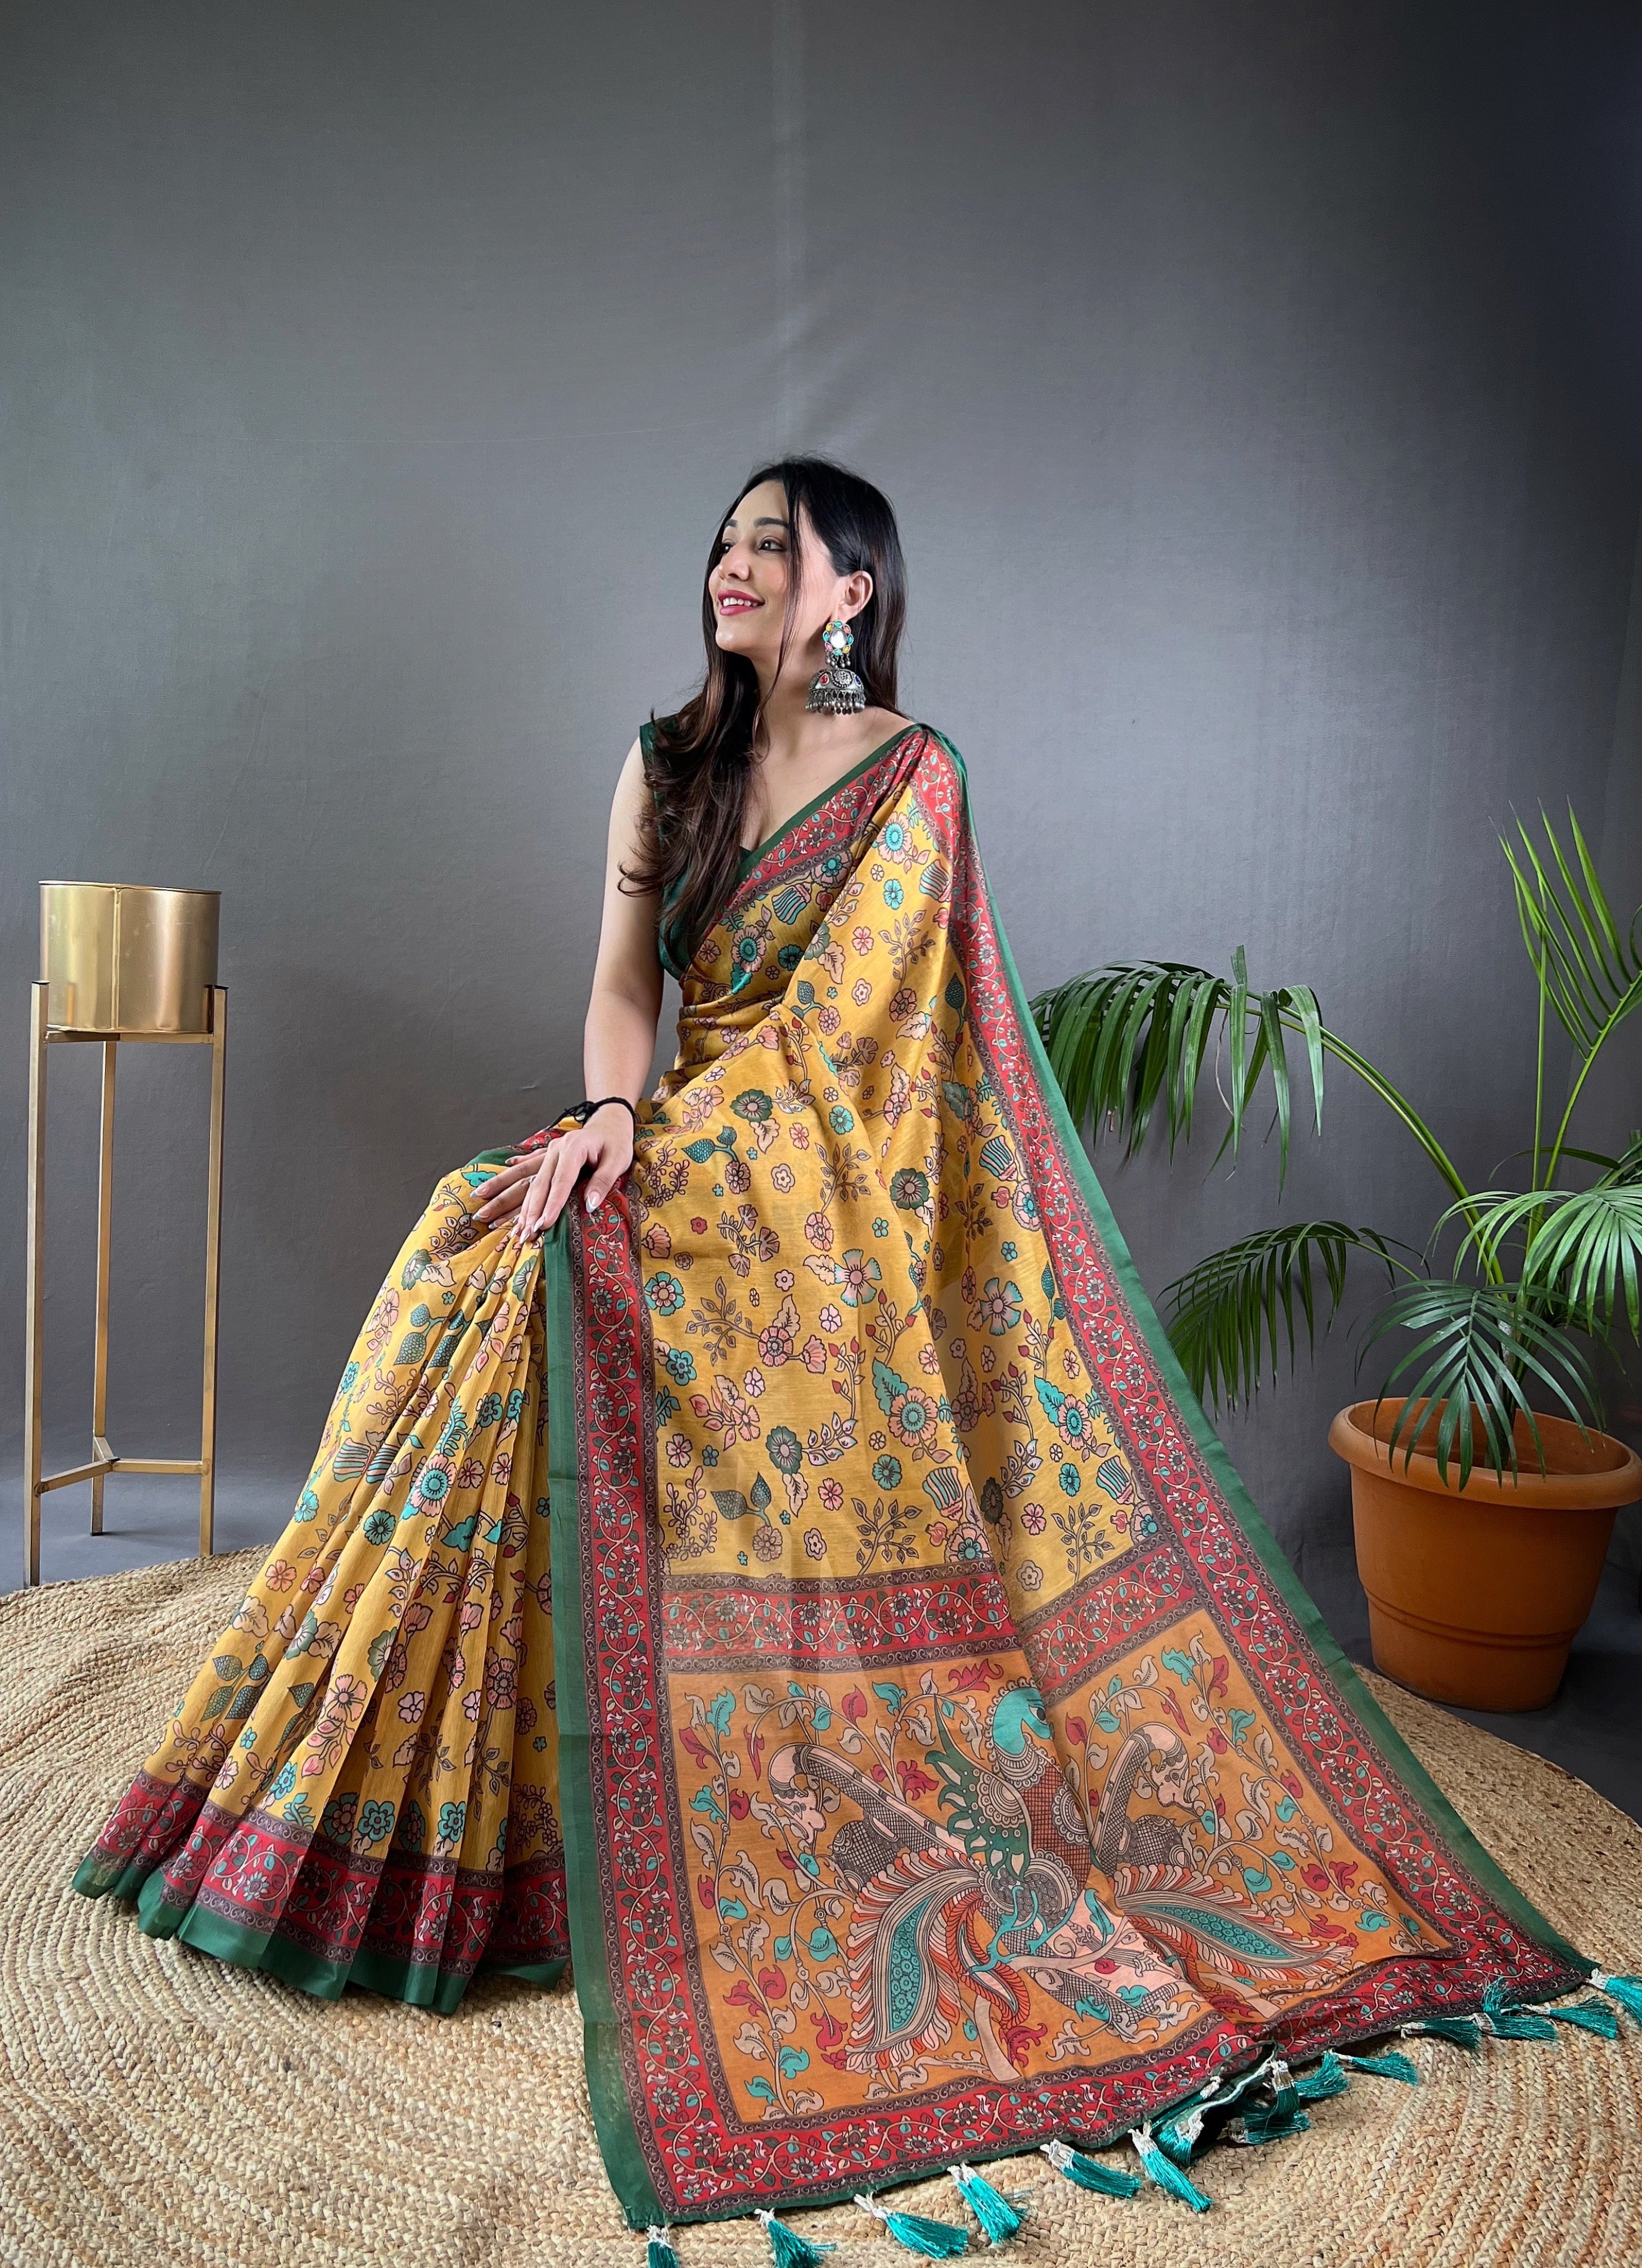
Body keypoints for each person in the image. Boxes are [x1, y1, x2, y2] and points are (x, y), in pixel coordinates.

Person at [73, 457, 1609, 2245]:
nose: (729, 566)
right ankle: (438, 1837)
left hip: (828, 1191)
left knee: (572, 1244)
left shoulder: (911, 777)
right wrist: (612, 1119)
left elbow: (861, 1043)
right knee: (479, 1247)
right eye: (720, 542)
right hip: (680, 1140)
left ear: (850, 592)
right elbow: (625, 988)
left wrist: (691, 1148)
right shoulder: (665, 762)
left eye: (769, 545)